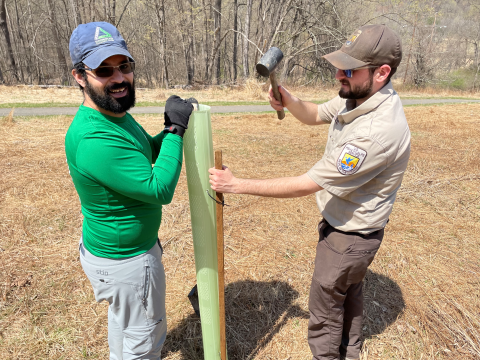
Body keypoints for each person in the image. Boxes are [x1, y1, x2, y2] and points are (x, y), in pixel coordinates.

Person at [209, 24, 410, 360]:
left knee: (324, 310)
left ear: (381, 72)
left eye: (348, 69)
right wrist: (287, 98)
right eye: (339, 66)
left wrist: (237, 184)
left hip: (350, 237)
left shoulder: (375, 133)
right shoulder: (359, 95)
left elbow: (308, 183)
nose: (338, 75)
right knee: (347, 294)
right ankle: (350, 351)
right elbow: (316, 113)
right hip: (349, 227)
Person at [65, 21, 195, 359]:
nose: (119, 78)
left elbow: (143, 154)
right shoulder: (94, 137)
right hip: (127, 261)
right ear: (80, 76)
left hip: (117, 254)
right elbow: (158, 188)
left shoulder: (115, 116)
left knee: (125, 322)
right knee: (145, 337)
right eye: (104, 70)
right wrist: (177, 130)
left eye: (124, 66)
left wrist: (167, 131)